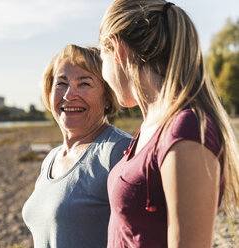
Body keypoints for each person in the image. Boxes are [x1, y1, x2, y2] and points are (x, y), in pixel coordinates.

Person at [98, 0, 239, 247]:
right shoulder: (150, 128)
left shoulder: (186, 130)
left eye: (101, 57)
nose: (103, 74)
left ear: (116, 48)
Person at [22, 44, 131, 247]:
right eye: (61, 83)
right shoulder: (51, 159)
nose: (69, 95)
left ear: (107, 96)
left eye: (84, 84)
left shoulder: (119, 152)